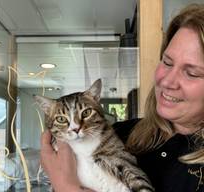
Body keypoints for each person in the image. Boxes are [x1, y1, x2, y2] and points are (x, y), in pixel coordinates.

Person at [40, 4, 204, 192]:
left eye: (191, 73)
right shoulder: (120, 133)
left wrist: (65, 187)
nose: (167, 81)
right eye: (167, 62)